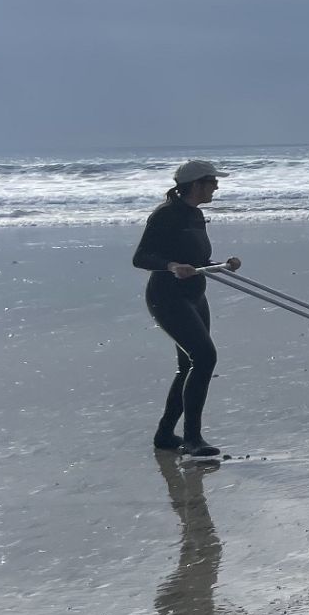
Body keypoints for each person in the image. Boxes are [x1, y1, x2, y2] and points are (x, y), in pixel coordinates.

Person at [134, 160, 241, 457]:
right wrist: (170, 266)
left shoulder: (196, 214)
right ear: (196, 184)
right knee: (205, 357)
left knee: (189, 366)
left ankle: (166, 434)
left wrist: (222, 264)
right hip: (167, 297)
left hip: (195, 296)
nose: (217, 186)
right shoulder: (165, 215)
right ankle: (192, 439)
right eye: (212, 181)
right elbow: (141, 257)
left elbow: (194, 258)